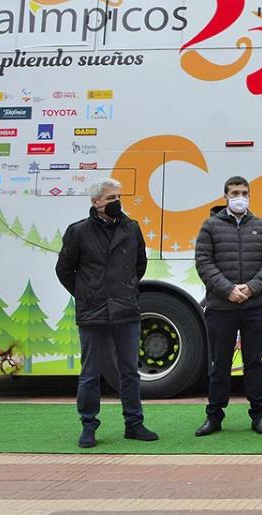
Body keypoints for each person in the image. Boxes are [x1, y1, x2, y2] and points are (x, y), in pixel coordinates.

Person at [55, 178, 158, 448]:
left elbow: (140, 264)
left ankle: (134, 424)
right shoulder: (78, 232)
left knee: (130, 371)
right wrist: (85, 293)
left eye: (118, 197)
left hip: (125, 309)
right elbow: (64, 270)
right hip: (93, 311)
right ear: (96, 202)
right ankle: (88, 425)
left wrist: (128, 289)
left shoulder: (131, 228)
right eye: (111, 199)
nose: (117, 203)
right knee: (91, 372)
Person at [193, 176, 262, 437]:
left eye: (244, 192)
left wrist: (251, 287)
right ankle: (214, 417)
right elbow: (203, 262)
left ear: (249, 196)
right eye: (234, 192)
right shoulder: (210, 226)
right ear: (225, 196)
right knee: (219, 364)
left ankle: (258, 416)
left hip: (255, 308)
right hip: (221, 307)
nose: (239, 196)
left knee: (254, 363)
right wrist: (228, 289)